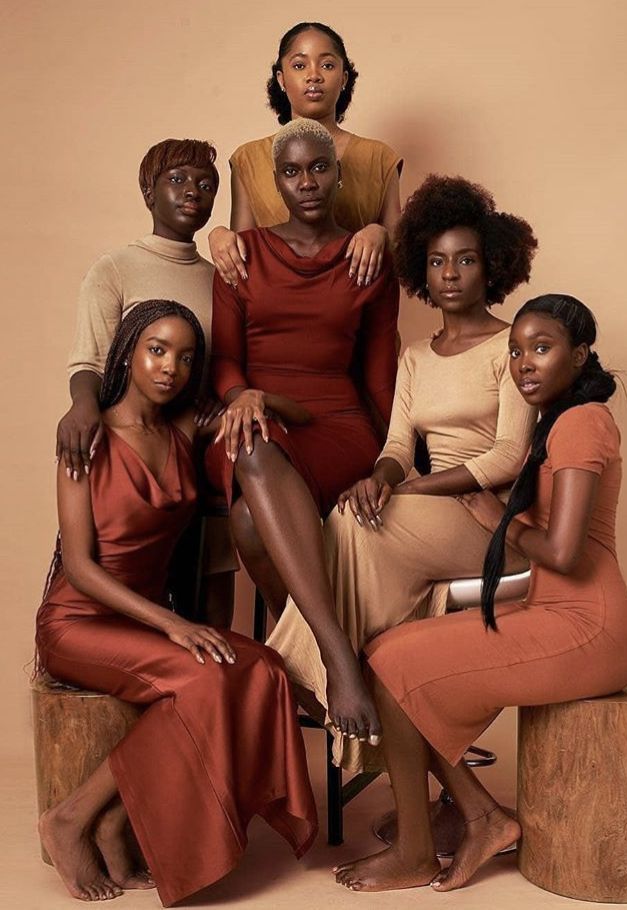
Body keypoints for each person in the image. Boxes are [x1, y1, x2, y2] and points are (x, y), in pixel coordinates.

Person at [332, 293, 627, 893]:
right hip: (553, 612)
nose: (525, 363)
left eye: (543, 349)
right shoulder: (559, 421)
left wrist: (496, 518)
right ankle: (480, 818)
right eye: (517, 351)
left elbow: (564, 553)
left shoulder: (583, 423)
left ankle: (419, 850)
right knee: (388, 655)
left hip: (589, 629)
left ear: (579, 356)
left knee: (395, 663)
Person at [36, 301, 317, 907]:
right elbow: (81, 569)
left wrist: (251, 399)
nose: (171, 367)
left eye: (186, 356)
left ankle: (115, 821)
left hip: (145, 625)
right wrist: (174, 624)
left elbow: (303, 415)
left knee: (265, 668)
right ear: (129, 352)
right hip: (79, 623)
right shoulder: (86, 438)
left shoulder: (185, 428)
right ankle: (72, 818)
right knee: (204, 682)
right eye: (157, 350)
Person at [268, 175, 538, 771]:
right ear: (421, 269)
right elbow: (395, 444)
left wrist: (412, 487)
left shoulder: (510, 346)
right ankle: (360, 680)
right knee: (350, 512)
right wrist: (382, 478)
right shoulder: (414, 357)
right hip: (429, 509)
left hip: (490, 519)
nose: (449, 274)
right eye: (437, 261)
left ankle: (311, 675)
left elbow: (507, 457)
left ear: (491, 266)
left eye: (465, 260)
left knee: (355, 530)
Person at [205, 117, 399, 741]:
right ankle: (336, 656)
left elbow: (379, 371)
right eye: (291, 172)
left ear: (338, 175)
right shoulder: (243, 254)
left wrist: (389, 459)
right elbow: (226, 359)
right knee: (252, 463)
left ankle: (313, 666)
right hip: (253, 413)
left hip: (337, 424)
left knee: (247, 512)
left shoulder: (367, 259)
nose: (306, 181)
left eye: (318, 168)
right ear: (276, 182)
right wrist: (241, 396)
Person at [55, 138, 236, 625]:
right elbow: (89, 360)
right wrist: (82, 407)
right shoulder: (115, 268)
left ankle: (211, 676)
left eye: (205, 184)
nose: (191, 192)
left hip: (194, 442)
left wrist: (219, 408)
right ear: (147, 190)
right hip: (132, 450)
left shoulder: (220, 278)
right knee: (128, 565)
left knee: (210, 573)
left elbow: (223, 362)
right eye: (176, 180)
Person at [209, 21, 402, 289]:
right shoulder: (249, 158)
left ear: (344, 78)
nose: (314, 76)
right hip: (276, 314)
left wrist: (379, 234)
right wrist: (219, 235)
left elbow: (402, 260)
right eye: (299, 65)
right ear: (281, 79)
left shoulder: (380, 158)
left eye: (327, 65)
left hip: (359, 315)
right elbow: (243, 260)